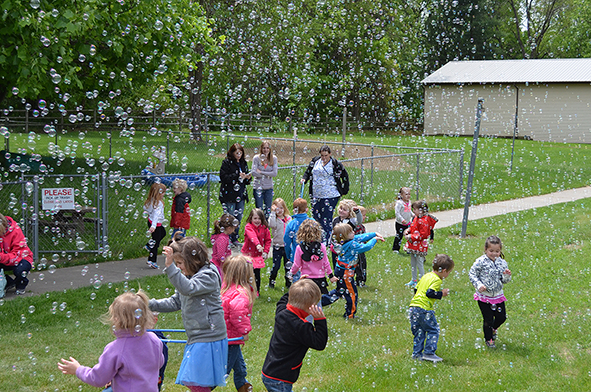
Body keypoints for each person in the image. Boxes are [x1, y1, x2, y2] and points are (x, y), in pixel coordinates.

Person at [149, 237, 228, 392]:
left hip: (209, 337)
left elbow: (188, 289)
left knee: (197, 384)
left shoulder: (209, 275)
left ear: (193, 260)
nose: (178, 268)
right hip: (197, 337)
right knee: (195, 383)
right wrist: (147, 303)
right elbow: (175, 302)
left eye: (179, 263)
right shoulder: (188, 277)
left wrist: (170, 267)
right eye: (176, 264)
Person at [58, 291, 165, 392]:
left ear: (117, 320)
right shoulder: (154, 339)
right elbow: (159, 363)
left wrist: (78, 369)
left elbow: (98, 378)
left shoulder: (116, 348)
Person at [261, 279, 328, 392]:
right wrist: (320, 321)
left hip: (270, 372)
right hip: (280, 379)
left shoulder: (282, 312)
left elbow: (282, 301)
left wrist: (296, 287)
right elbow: (319, 343)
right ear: (310, 307)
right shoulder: (301, 326)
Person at [325, 223, 384, 319]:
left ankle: (320, 302)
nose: (353, 232)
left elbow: (360, 237)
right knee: (352, 293)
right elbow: (366, 247)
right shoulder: (351, 244)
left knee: (339, 291)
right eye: (351, 232)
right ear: (344, 236)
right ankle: (350, 314)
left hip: (339, 269)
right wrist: (374, 239)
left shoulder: (345, 242)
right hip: (346, 272)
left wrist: (374, 234)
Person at [409, 254, 454, 362]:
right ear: (443, 270)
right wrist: (441, 293)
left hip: (413, 307)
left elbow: (416, 289)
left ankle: (417, 354)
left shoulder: (426, 276)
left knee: (419, 331)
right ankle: (429, 353)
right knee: (433, 330)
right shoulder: (437, 280)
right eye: (448, 272)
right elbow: (430, 293)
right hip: (424, 309)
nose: (448, 274)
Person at [221, 255, 257, 392]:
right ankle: (204, 388)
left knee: (240, 367)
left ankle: (243, 385)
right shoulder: (240, 293)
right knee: (224, 370)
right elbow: (237, 314)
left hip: (228, 336)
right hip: (231, 338)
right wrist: (245, 331)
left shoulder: (228, 289)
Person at [469, 235, 512, 349]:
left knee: (502, 317)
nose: (494, 253)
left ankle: (493, 329)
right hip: (484, 297)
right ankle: (489, 339)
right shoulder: (480, 261)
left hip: (498, 295)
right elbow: (472, 274)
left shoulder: (502, 263)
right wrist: (479, 285)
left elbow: (504, 281)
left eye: (497, 251)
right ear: (485, 249)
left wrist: (507, 276)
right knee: (488, 319)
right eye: (491, 251)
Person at [301, 145, 350, 245]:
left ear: (330, 154)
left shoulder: (335, 164)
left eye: (326, 155)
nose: (323, 158)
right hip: (316, 195)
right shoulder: (315, 161)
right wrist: (304, 179)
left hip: (331, 195)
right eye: (322, 155)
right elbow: (308, 171)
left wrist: (344, 190)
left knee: (326, 218)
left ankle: (326, 240)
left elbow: (345, 176)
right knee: (316, 217)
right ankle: (317, 238)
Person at [290, 219, 337, 295]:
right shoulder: (322, 247)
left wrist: (291, 274)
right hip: (320, 279)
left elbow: (296, 265)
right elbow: (326, 263)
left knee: (306, 302)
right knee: (318, 303)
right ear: (318, 233)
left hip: (306, 280)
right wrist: (331, 276)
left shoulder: (299, 248)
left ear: (301, 233)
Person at [219, 143, 252, 248]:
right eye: (236, 153)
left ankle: (235, 238)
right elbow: (224, 177)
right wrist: (237, 175)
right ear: (232, 153)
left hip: (240, 194)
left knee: (238, 218)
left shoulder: (243, 163)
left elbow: (246, 181)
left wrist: (248, 178)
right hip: (229, 195)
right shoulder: (227, 163)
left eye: (240, 153)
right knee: (230, 217)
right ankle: (227, 239)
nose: (239, 155)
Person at [403, 200, 438, 289]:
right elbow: (413, 227)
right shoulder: (416, 218)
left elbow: (424, 234)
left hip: (420, 246)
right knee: (413, 263)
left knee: (419, 263)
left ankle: (422, 281)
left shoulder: (424, 221)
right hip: (413, 245)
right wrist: (408, 230)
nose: (413, 211)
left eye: (415, 209)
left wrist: (411, 237)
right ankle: (414, 280)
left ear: (421, 210)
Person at [0, 213, 33, 295]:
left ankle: (21, 284)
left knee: (20, 270)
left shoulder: (15, 231)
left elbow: (17, 255)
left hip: (21, 258)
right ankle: (8, 282)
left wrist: (1, 257)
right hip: (4, 258)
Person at [241, 208, 271, 294]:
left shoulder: (264, 228)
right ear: (251, 219)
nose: (257, 220)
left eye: (259, 218)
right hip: (247, 254)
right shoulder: (248, 227)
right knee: (247, 273)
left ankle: (256, 291)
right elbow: (252, 236)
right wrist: (258, 244)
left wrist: (265, 251)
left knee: (257, 274)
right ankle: (246, 290)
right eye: (255, 218)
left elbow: (268, 240)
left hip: (257, 255)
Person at [330, 199, 363, 270]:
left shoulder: (352, 221)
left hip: (348, 248)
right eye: (341, 208)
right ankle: (338, 278)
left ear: (350, 212)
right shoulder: (335, 220)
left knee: (348, 267)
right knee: (337, 265)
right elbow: (332, 233)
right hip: (337, 248)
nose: (341, 211)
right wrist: (330, 243)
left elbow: (359, 221)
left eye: (344, 210)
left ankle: (350, 279)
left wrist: (357, 212)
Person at [268, 198, 292, 289]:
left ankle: (288, 283)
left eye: (281, 208)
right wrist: (273, 213)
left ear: (284, 208)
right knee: (276, 266)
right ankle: (272, 280)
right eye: (277, 208)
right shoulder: (274, 218)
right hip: (277, 247)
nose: (279, 210)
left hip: (287, 247)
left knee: (288, 267)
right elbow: (271, 225)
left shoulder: (288, 219)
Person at [251, 140, 278, 218]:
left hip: (268, 188)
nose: (265, 150)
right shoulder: (256, 158)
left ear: (270, 149)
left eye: (267, 148)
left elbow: (274, 173)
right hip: (258, 187)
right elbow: (253, 173)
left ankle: (266, 229)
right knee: (259, 212)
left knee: (267, 211)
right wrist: (268, 174)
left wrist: (261, 172)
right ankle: (259, 228)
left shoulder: (274, 158)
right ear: (261, 149)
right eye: (264, 148)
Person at [283, 198, 313, 268]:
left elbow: (286, 242)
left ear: (294, 211)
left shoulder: (291, 224)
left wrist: (289, 255)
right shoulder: (312, 222)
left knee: (296, 278)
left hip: (295, 257)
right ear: (307, 209)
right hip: (311, 257)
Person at [144, 183, 167, 269]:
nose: (164, 194)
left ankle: (149, 245)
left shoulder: (152, 201)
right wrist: (153, 226)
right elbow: (156, 216)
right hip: (155, 224)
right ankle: (152, 260)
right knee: (156, 243)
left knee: (163, 233)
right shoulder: (158, 204)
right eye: (163, 192)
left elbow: (145, 208)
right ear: (158, 193)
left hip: (152, 222)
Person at [211, 213, 238, 280]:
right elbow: (221, 256)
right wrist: (228, 262)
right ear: (229, 228)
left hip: (221, 265)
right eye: (233, 228)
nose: (234, 230)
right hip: (218, 266)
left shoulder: (224, 237)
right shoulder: (222, 239)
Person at [392, 187, 413, 253]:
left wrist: (414, 215)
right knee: (399, 236)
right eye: (406, 194)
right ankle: (395, 249)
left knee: (409, 236)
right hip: (400, 223)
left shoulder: (409, 202)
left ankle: (409, 248)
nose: (408, 196)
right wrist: (402, 219)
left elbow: (409, 211)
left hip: (408, 223)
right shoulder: (399, 203)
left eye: (409, 194)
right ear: (401, 195)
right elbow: (397, 213)